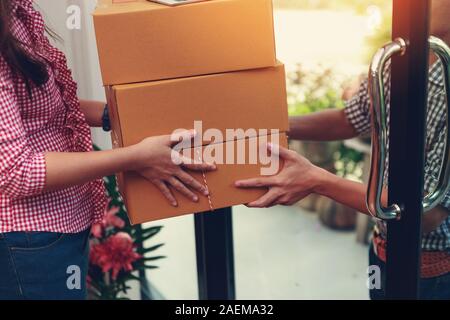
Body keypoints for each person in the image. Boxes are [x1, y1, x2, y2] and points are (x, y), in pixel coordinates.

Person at [0, 0, 215, 300]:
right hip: (27, 242)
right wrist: (137, 156)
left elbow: (45, 112)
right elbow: (15, 172)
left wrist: (121, 114)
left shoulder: (17, 11)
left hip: (59, 229)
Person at [236, 0, 450, 299]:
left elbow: (425, 213)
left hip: (433, 273)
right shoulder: (399, 57)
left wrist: (317, 181)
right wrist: (269, 128)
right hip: (382, 250)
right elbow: (350, 119)